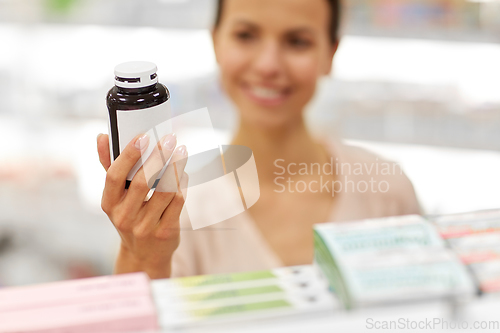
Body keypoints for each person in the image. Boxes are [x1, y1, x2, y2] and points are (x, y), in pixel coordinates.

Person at [96, 0, 421, 279]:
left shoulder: (387, 191)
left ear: (330, 53)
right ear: (216, 43)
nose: (268, 65)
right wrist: (142, 257)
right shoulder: (173, 209)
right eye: (245, 36)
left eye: (297, 41)